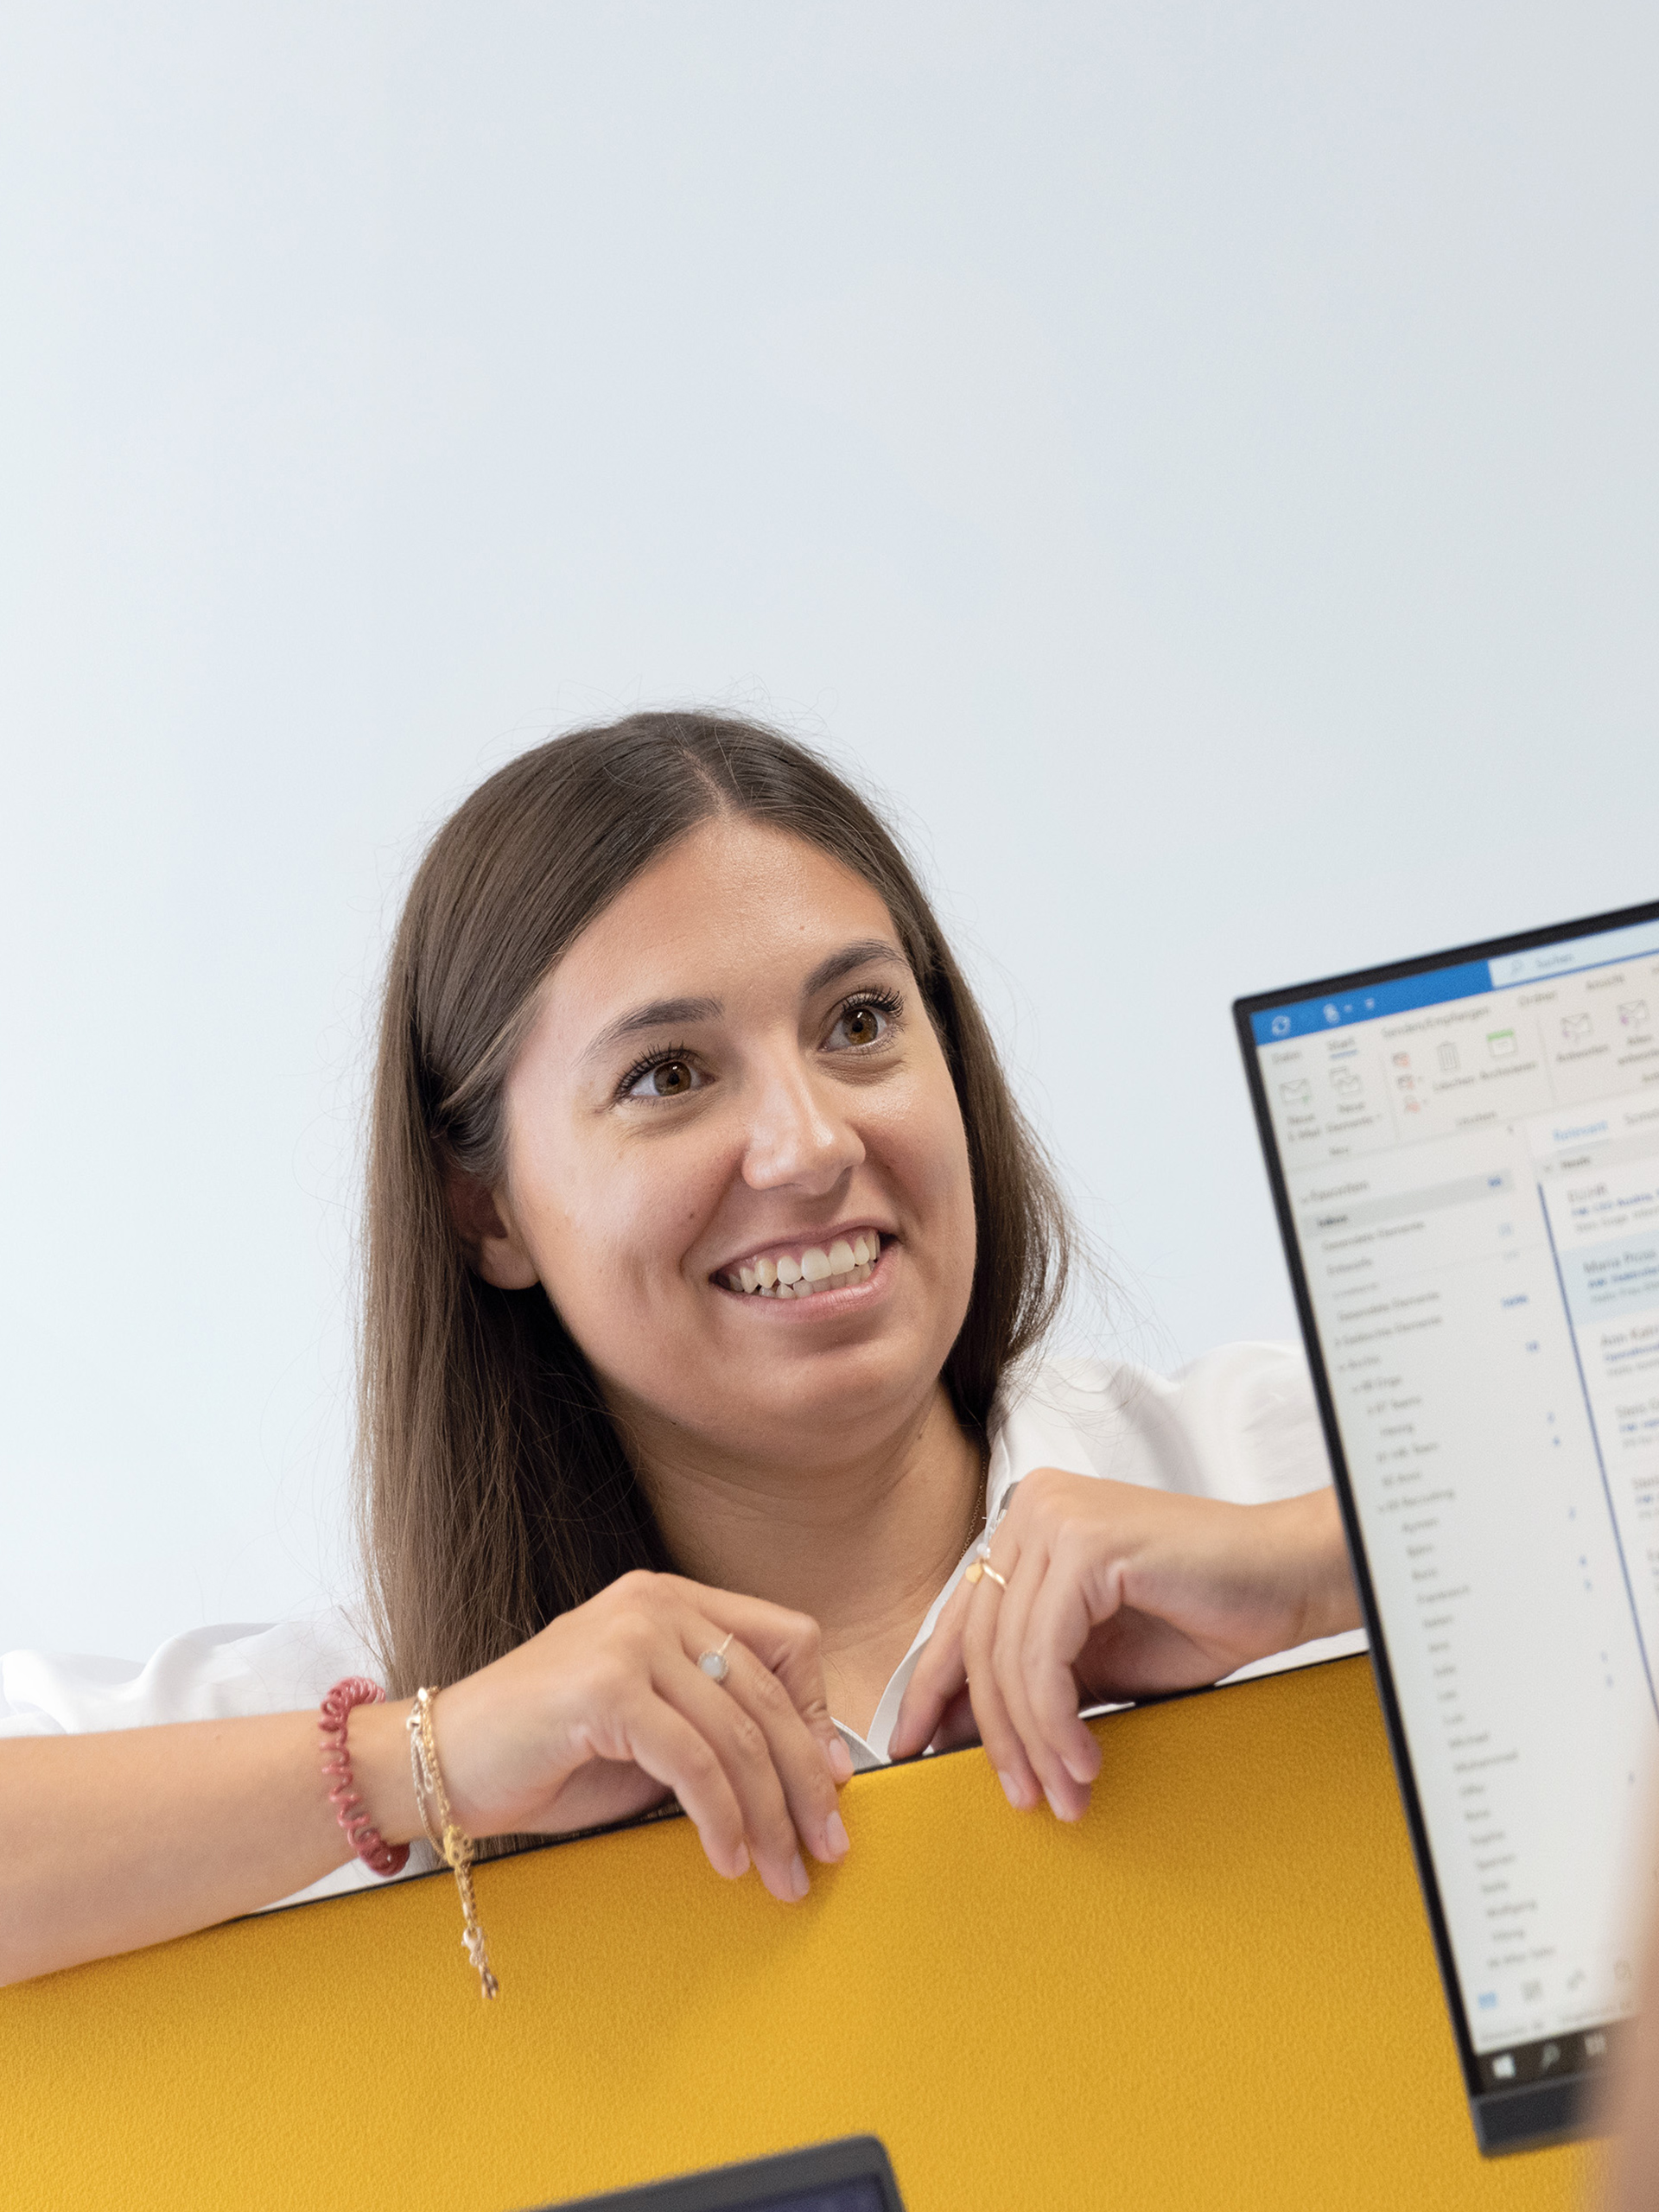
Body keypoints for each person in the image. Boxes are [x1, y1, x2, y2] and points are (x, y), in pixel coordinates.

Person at [0, 712, 1363, 1989]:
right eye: (668, 1075)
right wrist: (427, 1764)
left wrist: (1324, 1570)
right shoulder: (389, 1717)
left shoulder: (1284, 1467)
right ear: (486, 1209)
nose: (814, 1143)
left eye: (861, 1024)